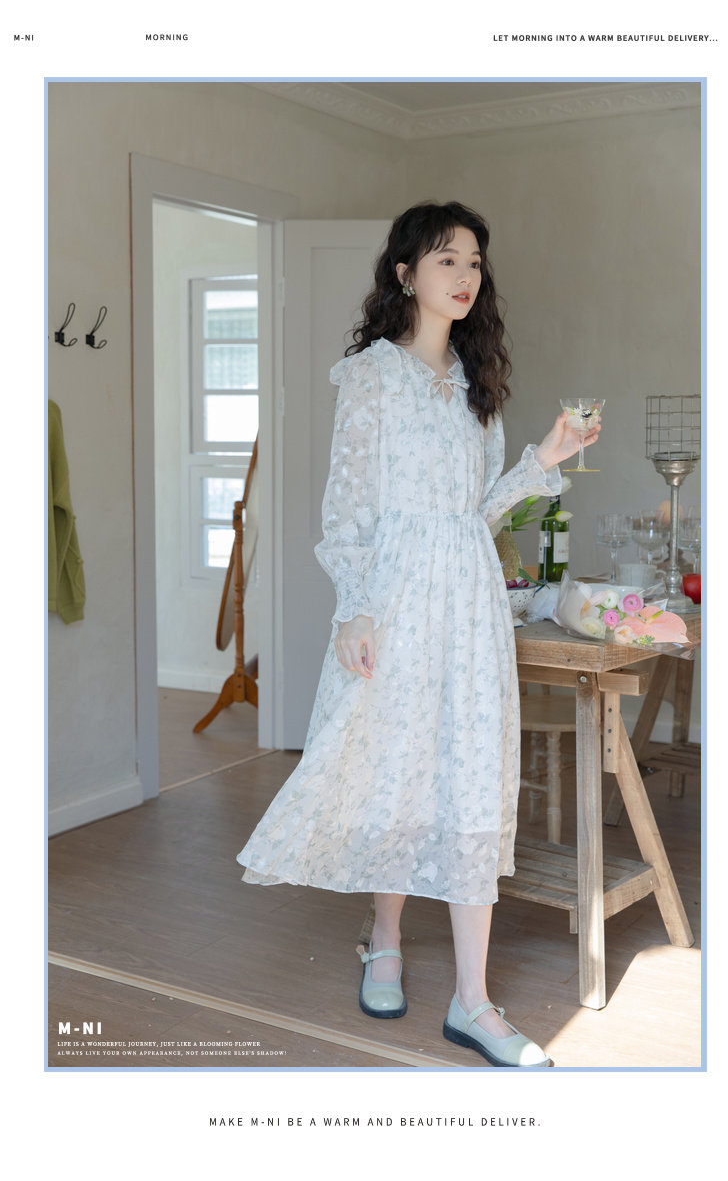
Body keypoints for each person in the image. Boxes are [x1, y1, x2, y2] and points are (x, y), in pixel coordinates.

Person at [237, 200, 601, 1068]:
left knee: (472, 775)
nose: (465, 276)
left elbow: (475, 513)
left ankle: (474, 1001)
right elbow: (347, 508)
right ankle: (387, 939)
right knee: (394, 768)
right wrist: (356, 608)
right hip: (397, 598)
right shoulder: (371, 375)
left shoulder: (477, 385)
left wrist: (543, 461)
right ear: (406, 274)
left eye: (474, 261)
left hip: (469, 603)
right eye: (446, 259)